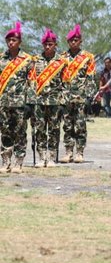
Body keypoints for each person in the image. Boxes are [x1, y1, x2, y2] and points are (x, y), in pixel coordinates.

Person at [28, 29, 67, 168]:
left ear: (55, 44)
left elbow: (65, 83)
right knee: (39, 129)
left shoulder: (61, 62)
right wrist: (30, 102)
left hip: (55, 101)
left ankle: (51, 157)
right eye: (45, 44)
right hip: (39, 101)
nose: (47, 46)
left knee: (54, 130)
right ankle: (41, 157)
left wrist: (64, 102)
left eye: (50, 44)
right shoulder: (35, 60)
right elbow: (31, 81)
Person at [60, 24, 97, 163]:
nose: (73, 42)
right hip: (66, 97)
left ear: (80, 41)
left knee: (80, 126)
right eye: (71, 40)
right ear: (68, 42)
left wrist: (89, 96)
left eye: (76, 40)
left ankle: (80, 152)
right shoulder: (62, 57)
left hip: (81, 97)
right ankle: (68, 152)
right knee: (67, 125)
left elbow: (91, 78)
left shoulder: (88, 57)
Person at [0, 22, 33, 174]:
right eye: (8, 40)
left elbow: (32, 82)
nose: (11, 43)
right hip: (3, 102)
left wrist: (30, 103)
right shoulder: (1, 59)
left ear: (19, 42)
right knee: (5, 132)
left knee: (20, 132)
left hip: (20, 103)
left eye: (14, 40)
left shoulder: (27, 60)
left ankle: (18, 162)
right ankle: (5, 161)